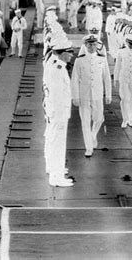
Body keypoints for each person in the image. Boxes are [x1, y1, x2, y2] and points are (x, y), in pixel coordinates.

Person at [71, 34, 112, 157]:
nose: (92, 47)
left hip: (98, 95)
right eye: (89, 44)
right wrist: (75, 96)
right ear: (85, 45)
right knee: (85, 122)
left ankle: (93, 135)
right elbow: (74, 79)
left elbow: (106, 77)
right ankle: (88, 148)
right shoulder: (79, 60)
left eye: (94, 44)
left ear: (97, 45)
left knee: (99, 119)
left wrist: (108, 94)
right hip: (84, 96)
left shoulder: (102, 59)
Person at [43, 37, 75, 187]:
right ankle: (57, 177)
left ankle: (53, 168)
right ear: (62, 53)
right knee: (58, 143)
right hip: (58, 111)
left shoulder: (54, 63)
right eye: (69, 52)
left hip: (53, 110)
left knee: (52, 139)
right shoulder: (58, 69)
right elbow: (56, 94)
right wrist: (58, 113)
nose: (71, 55)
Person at [114, 34, 132, 128]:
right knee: (125, 99)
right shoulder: (121, 51)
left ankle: (131, 119)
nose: (131, 45)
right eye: (130, 43)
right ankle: (125, 119)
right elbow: (117, 66)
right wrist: (116, 79)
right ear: (126, 42)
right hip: (124, 78)